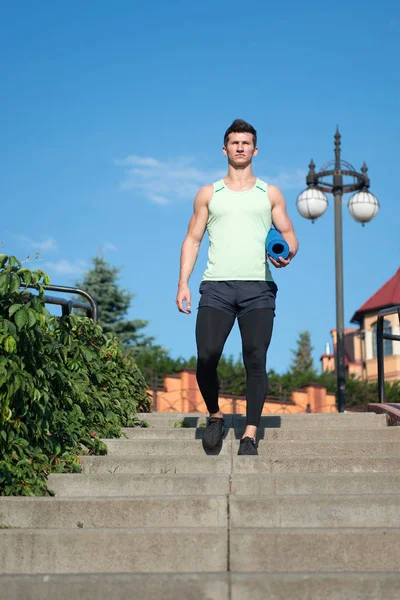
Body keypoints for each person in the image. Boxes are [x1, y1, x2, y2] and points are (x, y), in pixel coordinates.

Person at [176, 119, 298, 455]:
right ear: (225, 149)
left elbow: (289, 237)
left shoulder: (269, 193)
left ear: (255, 150)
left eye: (246, 143)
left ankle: (250, 433)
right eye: (234, 142)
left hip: (259, 288)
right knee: (206, 356)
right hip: (216, 286)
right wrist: (183, 283)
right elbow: (192, 239)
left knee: (255, 358)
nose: (240, 147)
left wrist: (286, 254)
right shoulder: (208, 194)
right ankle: (216, 416)